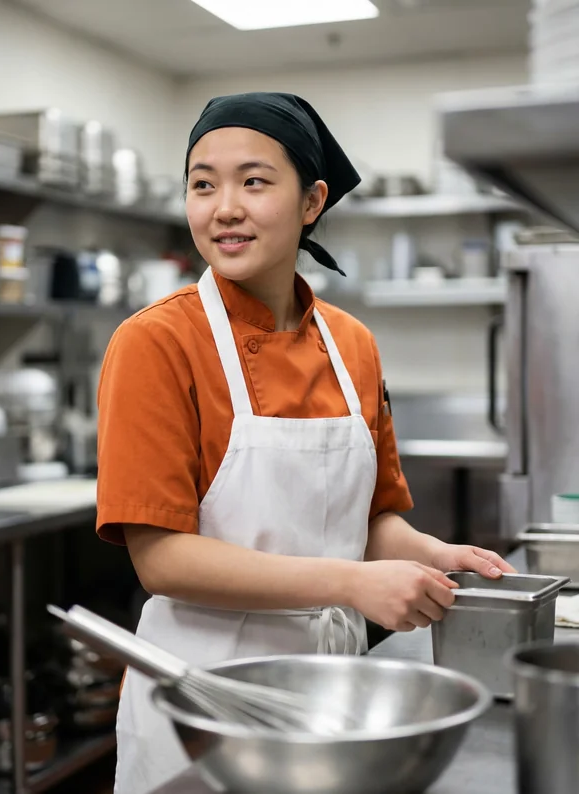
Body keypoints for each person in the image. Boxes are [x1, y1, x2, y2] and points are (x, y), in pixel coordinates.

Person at [96, 92, 515, 793]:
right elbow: (162, 558)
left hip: (333, 691)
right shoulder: (155, 342)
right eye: (203, 184)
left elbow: (369, 522)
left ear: (313, 200)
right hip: (204, 699)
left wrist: (436, 559)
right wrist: (353, 583)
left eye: (253, 181)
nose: (223, 206)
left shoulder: (352, 344)